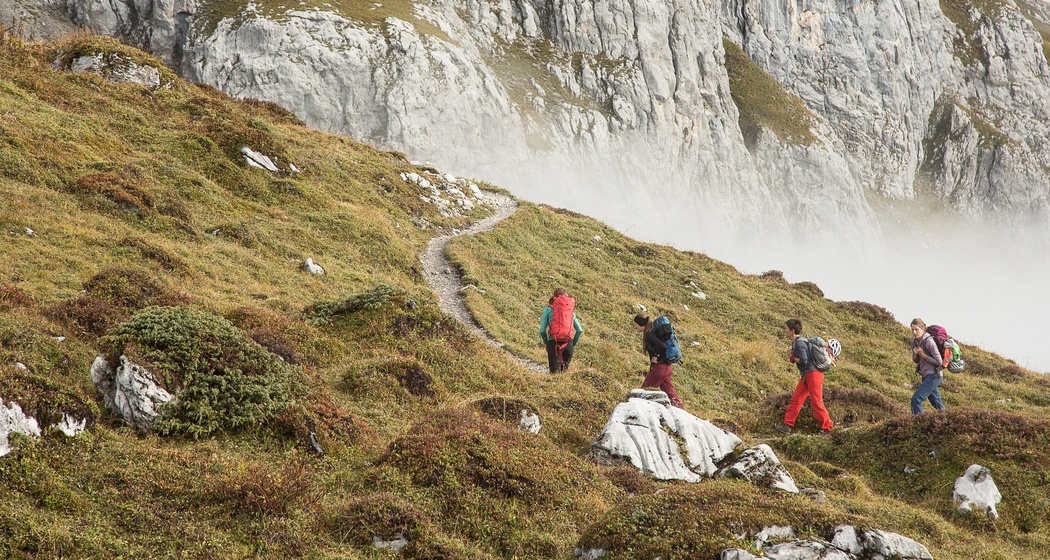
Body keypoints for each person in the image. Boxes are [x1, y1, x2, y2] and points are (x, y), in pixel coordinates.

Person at [775, 318, 834, 435]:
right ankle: (787, 425)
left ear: (792, 331)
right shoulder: (799, 342)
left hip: (813, 375)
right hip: (807, 375)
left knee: (816, 402)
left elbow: (804, 360)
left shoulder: (799, 343)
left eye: (786, 328)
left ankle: (827, 428)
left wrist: (792, 357)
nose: (784, 330)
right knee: (796, 399)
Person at [633, 313, 683, 407]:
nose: (635, 326)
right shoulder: (653, 332)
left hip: (660, 369)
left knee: (644, 393)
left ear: (641, 324)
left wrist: (659, 359)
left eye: (636, 324)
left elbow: (663, 347)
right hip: (667, 367)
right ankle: (681, 411)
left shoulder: (649, 334)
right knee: (672, 396)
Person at [539, 288, 583, 373]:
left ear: (555, 297)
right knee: (564, 374)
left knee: (554, 374)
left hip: (554, 343)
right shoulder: (570, 311)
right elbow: (579, 330)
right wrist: (572, 344)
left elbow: (542, 330)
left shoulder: (548, 309)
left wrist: (546, 342)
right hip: (568, 344)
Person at [910, 318, 946, 414]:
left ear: (922, 329)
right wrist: (916, 355)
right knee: (936, 402)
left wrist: (924, 355)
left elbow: (939, 362)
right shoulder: (914, 342)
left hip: (934, 375)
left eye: (917, 329)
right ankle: (948, 420)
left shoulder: (929, 342)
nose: (914, 332)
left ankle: (919, 421)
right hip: (925, 375)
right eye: (912, 330)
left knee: (916, 399)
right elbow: (916, 360)